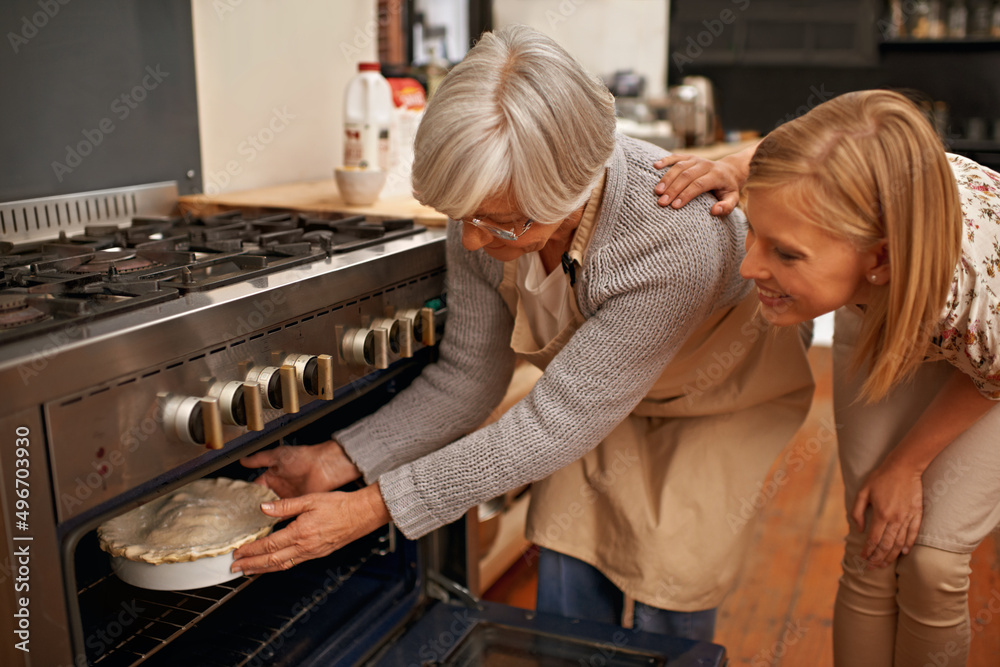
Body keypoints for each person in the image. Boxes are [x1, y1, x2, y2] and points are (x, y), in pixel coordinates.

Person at [231, 25, 813, 641]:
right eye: (464, 219)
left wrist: (373, 506)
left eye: (503, 225)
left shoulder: (672, 237)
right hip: (588, 397)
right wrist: (337, 458)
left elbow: (552, 427)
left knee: (669, 582)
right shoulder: (485, 204)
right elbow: (467, 377)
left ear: (577, 189)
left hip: (717, 402)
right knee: (567, 556)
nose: (475, 241)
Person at [652, 89, 1000, 665]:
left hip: (985, 352)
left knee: (933, 563)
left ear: (881, 258)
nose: (749, 267)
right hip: (887, 307)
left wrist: (905, 467)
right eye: (753, 234)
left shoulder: (970, 296)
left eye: (785, 254)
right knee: (873, 539)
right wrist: (734, 168)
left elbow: (992, 373)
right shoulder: (847, 211)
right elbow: (805, 152)